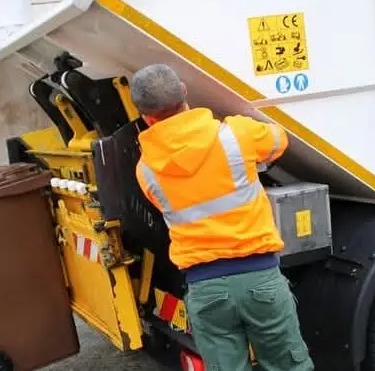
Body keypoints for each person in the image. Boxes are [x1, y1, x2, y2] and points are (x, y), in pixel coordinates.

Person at [130, 63, 315, 371]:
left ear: (146, 117)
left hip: (205, 288)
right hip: (261, 278)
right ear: (185, 92)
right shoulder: (236, 135)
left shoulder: (146, 171)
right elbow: (279, 139)